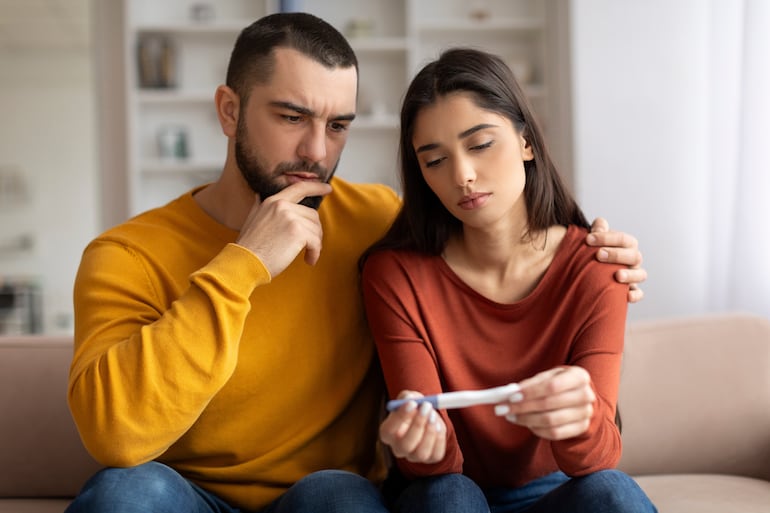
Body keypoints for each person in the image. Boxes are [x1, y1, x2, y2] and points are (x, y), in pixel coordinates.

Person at [65, 13, 647, 513]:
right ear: (229, 110)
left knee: (339, 497)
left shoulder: (376, 223)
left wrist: (604, 254)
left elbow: (483, 233)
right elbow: (115, 438)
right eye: (291, 117)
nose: (317, 152)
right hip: (188, 492)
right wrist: (243, 263)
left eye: (337, 125)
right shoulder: (127, 254)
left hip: (325, 493)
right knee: (126, 493)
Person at [361, 48, 657, 513]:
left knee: (613, 492)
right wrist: (421, 446)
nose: (463, 175)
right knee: (449, 497)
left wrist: (579, 421)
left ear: (526, 142)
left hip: (552, 488)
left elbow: (597, 458)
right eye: (434, 160)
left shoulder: (598, 266)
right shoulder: (396, 275)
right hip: (447, 487)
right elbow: (432, 468)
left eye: (480, 144)